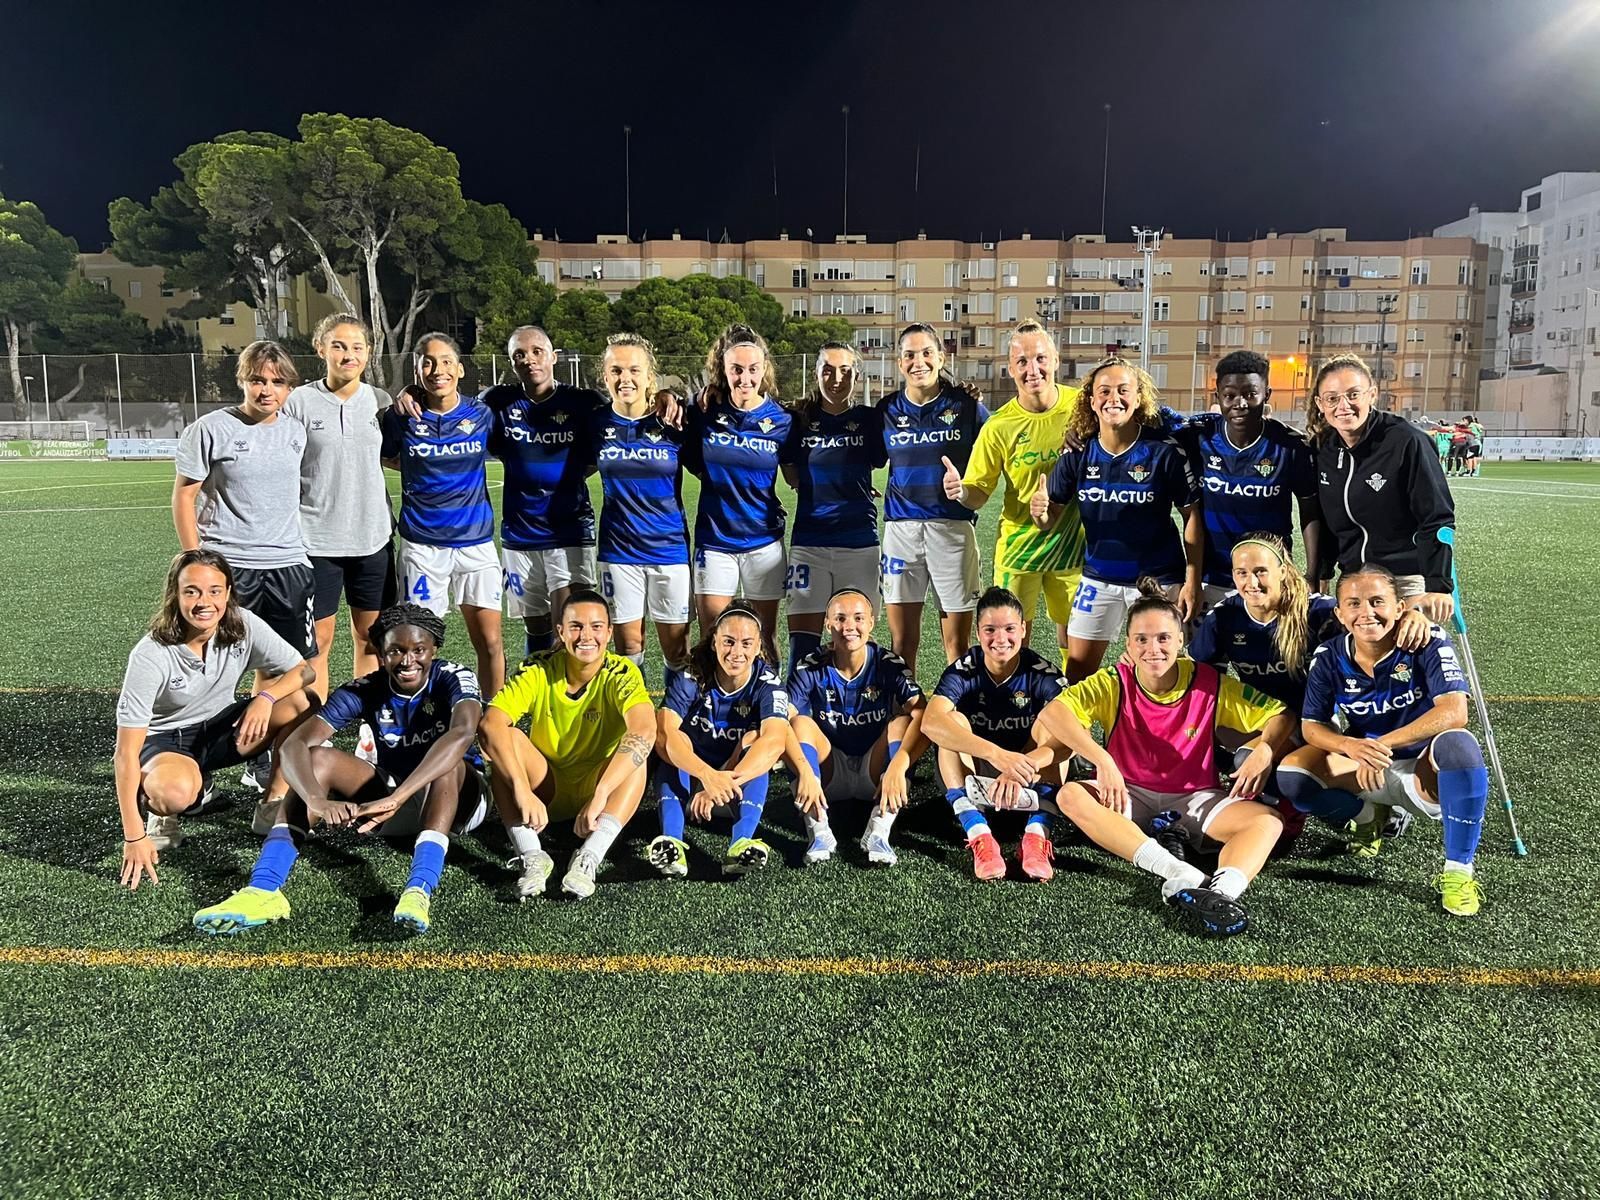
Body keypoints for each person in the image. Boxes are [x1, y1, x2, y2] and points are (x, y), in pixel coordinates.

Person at [191, 604, 488, 935]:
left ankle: (417, 891)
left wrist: (398, 797)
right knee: (316, 758)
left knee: (448, 764)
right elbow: (293, 747)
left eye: (418, 650)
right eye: (396, 651)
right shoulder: (365, 689)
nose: (407, 661)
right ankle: (263, 890)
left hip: (460, 801)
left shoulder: (453, 677)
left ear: (434, 649)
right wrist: (316, 799)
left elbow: (461, 734)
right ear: (379, 651)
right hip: (390, 805)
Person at [1034, 580, 1296, 937]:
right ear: (1127, 644)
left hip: (1195, 796)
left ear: (1180, 643)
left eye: (1163, 638)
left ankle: (1220, 894)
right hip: (1127, 792)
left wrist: (1264, 750)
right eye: (1141, 639)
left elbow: (1281, 715)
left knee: (1268, 822)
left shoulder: (1209, 682)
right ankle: (1176, 871)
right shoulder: (1114, 680)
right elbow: (1054, 713)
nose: (1152, 648)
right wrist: (1102, 759)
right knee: (1071, 795)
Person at [1276, 564, 1490, 917]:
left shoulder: (1427, 641)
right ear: (1339, 613)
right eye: (1354, 603)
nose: (1366, 613)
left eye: (1377, 601)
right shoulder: (1329, 656)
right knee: (1293, 774)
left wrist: (1381, 745)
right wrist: (1352, 747)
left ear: (1399, 607)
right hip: (1366, 768)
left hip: (1425, 769)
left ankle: (1458, 873)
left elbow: (1455, 712)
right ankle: (1369, 817)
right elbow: (1313, 726)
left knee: (1459, 744)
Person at [115, 550, 315, 890]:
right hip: (168, 742)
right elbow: (124, 754)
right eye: (191, 591)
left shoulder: (243, 624)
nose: (204, 602)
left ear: (228, 593)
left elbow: (304, 671)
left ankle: (272, 804)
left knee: (301, 702)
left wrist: (265, 698)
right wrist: (133, 836)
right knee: (173, 792)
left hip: (223, 728)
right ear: (174, 595)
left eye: (214, 591)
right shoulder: (150, 654)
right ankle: (164, 813)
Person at [173, 340, 315, 798]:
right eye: (258, 380)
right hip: (231, 570)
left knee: (287, 669)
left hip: (289, 566)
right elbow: (184, 496)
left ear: (289, 386)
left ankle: (264, 757)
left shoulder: (296, 431)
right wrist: (198, 563)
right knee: (210, 670)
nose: (267, 389)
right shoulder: (210, 429)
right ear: (243, 381)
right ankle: (196, 764)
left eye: (277, 381)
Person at [1032, 356, 1202, 682]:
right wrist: (1039, 511)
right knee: (1078, 673)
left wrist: (1192, 580)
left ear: (1138, 399)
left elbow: (1191, 515)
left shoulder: (1164, 452)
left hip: (1159, 580)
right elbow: (1048, 519)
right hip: (1099, 578)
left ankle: (1152, 733)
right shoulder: (1078, 453)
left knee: (1160, 675)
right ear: (1091, 401)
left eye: (1124, 390)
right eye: (1105, 391)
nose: (1114, 398)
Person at [479, 590, 655, 900]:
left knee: (636, 753)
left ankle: (589, 857)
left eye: (596, 626)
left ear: (610, 633)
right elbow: (489, 725)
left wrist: (601, 793)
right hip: (547, 785)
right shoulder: (538, 668)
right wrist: (521, 787)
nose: (586, 636)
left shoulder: (621, 672)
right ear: (560, 631)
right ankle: (532, 856)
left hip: (598, 789)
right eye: (576, 626)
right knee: (505, 742)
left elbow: (644, 729)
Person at [945, 319, 1084, 671]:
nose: (1032, 369)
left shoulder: (1084, 409)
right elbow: (978, 494)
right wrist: (961, 491)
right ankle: (1014, 712)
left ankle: (1075, 712)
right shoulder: (999, 425)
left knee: (1075, 639)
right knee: (1011, 639)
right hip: (1019, 551)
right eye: (1022, 362)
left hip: (1073, 548)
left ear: (1055, 359)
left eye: (1039, 358)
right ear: (1011, 369)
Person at [380, 332, 506, 697]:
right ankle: (425, 721)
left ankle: (492, 720)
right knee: (417, 645)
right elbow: (386, 455)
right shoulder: (400, 417)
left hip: (476, 544)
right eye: (428, 362)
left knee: (490, 641)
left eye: (446, 362)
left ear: (460, 369)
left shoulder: (481, 414)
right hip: (422, 546)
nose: (438, 370)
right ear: (417, 370)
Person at [919, 587, 1073, 882]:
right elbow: (930, 724)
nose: (1000, 639)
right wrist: (997, 756)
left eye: (1009, 629)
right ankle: (978, 833)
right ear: (978, 632)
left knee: (1056, 724)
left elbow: (1074, 737)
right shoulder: (964, 670)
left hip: (1030, 774)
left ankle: (1036, 835)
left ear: (1024, 629)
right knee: (951, 722)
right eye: (990, 630)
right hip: (977, 772)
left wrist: (1020, 767)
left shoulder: (1042, 672)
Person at [284, 313, 395, 707]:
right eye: (339, 345)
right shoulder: (298, 402)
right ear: (321, 349)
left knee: (370, 638)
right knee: (318, 642)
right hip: (316, 541)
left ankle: (367, 726)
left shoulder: (381, 402)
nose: (349, 354)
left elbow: (399, 456)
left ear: (368, 353)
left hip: (372, 538)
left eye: (357, 347)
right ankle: (318, 725)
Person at [1304, 352, 1457, 623]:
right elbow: (1327, 521)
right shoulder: (1324, 449)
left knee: (1404, 663)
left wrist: (1439, 587)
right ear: (1320, 403)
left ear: (1372, 394)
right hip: (1353, 581)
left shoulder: (1407, 442)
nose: (1343, 405)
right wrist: (1324, 573)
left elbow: (1437, 518)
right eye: (1332, 398)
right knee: (1353, 662)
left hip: (1404, 582)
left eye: (1353, 394)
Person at [787, 588, 928, 866]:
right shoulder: (812, 665)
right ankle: (819, 830)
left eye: (858, 618)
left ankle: (879, 831)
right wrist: (804, 769)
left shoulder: (887, 663)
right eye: (840, 618)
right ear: (827, 624)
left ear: (872, 622)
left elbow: (924, 714)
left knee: (902, 722)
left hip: (874, 769)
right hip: (829, 768)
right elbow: (779, 722)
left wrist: (898, 764)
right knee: (799, 722)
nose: (849, 626)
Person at [486, 325, 605, 655]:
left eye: (537, 351)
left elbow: (618, 428)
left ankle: (575, 700)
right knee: (535, 624)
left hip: (570, 531)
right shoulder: (498, 403)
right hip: (520, 534)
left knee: (572, 623)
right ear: (512, 363)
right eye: (519, 355)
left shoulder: (584, 403)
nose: (529, 360)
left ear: (553, 356)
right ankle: (536, 698)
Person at [681, 324, 795, 668]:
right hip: (715, 543)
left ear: (764, 370)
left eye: (752, 369)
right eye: (736, 370)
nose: (745, 378)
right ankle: (712, 714)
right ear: (723, 371)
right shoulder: (704, 413)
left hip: (764, 543)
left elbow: (796, 476)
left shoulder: (782, 420)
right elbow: (693, 461)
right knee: (712, 636)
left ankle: (770, 706)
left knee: (764, 636)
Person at [651, 603, 789, 877]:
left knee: (756, 740)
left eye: (746, 643)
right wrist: (706, 775)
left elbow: (775, 741)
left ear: (759, 646)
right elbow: (664, 734)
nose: (737, 652)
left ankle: (741, 843)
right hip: (688, 780)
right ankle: (672, 843)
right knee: (671, 744)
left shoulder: (768, 683)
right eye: (728, 641)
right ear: (714, 641)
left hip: (735, 786)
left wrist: (722, 781)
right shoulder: (692, 675)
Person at [1176, 350, 1322, 609]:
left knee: (1270, 649)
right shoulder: (1197, 436)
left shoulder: (1291, 446)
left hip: (1271, 576)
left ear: (1266, 394)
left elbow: (1310, 512)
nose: (1239, 403)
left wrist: (1313, 574)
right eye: (1230, 395)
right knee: (1205, 649)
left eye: (1250, 394)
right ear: (1218, 396)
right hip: (1213, 576)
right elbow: (1146, 424)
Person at [879, 322, 988, 669]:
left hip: (952, 529)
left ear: (941, 357)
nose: (918, 361)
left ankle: (955, 715)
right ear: (899, 363)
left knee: (957, 644)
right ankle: (905, 717)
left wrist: (967, 488)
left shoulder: (966, 405)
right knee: (902, 643)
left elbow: (996, 448)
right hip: (901, 531)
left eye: (927, 353)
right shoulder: (885, 411)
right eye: (909, 355)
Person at [590, 332, 693, 689]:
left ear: (650, 376)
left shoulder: (673, 421)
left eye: (635, 370)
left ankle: (674, 727)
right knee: (628, 648)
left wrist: (673, 399)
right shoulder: (596, 424)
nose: (625, 379)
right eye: (616, 370)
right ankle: (632, 727)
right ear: (605, 376)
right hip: (618, 552)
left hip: (669, 549)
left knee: (677, 650)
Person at [781, 341, 887, 675]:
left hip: (859, 544)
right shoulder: (798, 420)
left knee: (854, 639)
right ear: (816, 374)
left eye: (844, 370)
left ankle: (855, 713)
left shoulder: (870, 421)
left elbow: (882, 459)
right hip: (809, 544)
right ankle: (797, 719)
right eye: (828, 369)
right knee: (802, 643)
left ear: (856, 375)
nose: (836, 378)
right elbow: (791, 473)